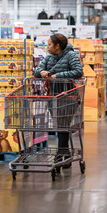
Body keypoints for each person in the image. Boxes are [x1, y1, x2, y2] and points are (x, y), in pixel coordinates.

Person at [33, 33, 84, 161]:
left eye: (50, 44)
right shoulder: (49, 56)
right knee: (60, 125)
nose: (47, 47)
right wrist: (42, 73)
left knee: (63, 124)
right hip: (53, 95)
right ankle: (64, 154)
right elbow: (37, 72)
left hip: (68, 95)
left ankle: (60, 155)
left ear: (57, 46)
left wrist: (57, 75)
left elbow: (78, 71)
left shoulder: (71, 55)